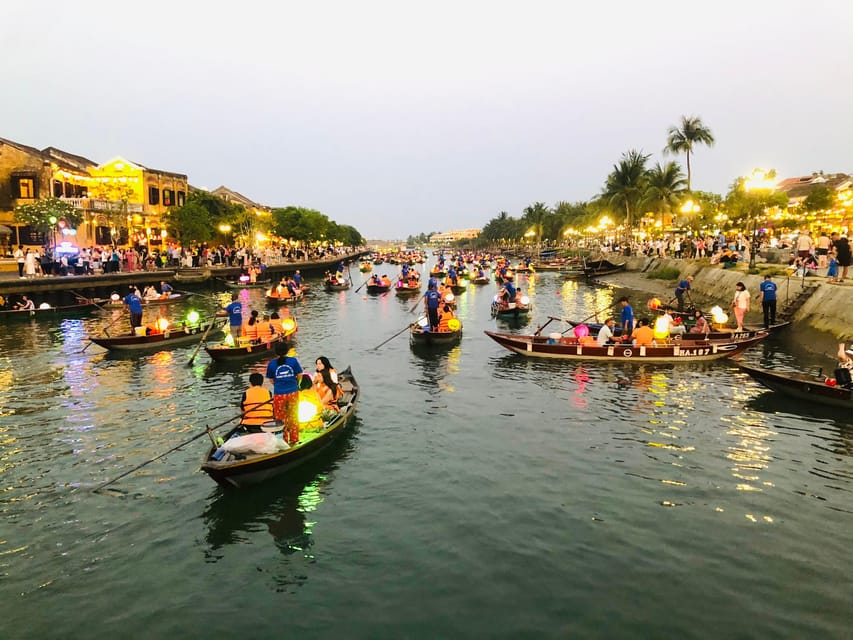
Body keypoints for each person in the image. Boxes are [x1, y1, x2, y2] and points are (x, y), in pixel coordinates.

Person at [265, 343, 303, 445]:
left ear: (276, 352)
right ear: (287, 351)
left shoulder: (272, 364)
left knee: (280, 418)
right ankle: (294, 439)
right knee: (293, 416)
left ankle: (283, 440)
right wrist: (296, 383)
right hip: (293, 393)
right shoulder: (293, 361)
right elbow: (300, 374)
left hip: (279, 394)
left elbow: (271, 380)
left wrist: (278, 385)